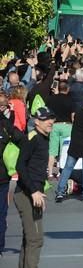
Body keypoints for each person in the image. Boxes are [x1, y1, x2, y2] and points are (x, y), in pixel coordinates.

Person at [14, 107, 56, 268]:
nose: (50, 122)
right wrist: (33, 192)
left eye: (51, 119)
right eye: (46, 119)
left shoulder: (43, 138)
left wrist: (40, 191)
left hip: (32, 193)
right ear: (36, 121)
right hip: (26, 194)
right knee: (35, 240)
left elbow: (35, 167)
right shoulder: (32, 138)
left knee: (28, 240)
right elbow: (20, 165)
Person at [0, 93, 26, 257]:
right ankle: (0, 246)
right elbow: (21, 139)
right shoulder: (5, 125)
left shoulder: (5, 124)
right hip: (2, 175)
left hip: (2, 176)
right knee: (1, 213)